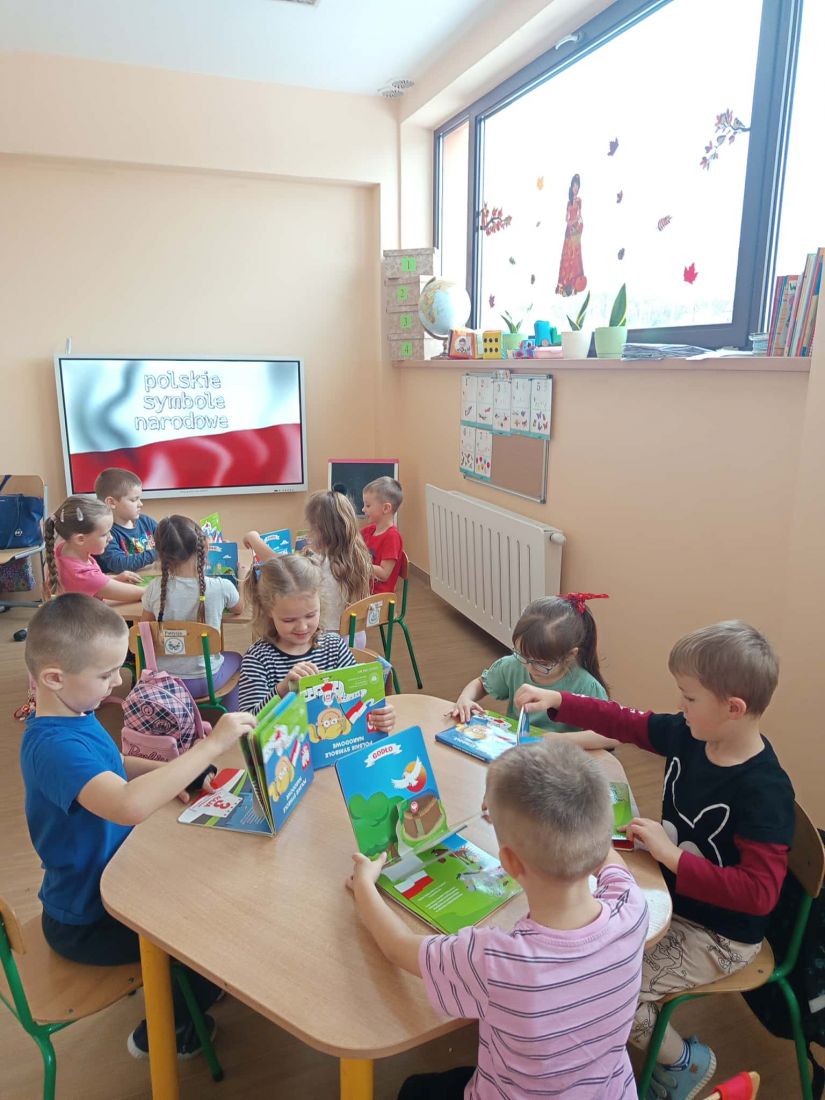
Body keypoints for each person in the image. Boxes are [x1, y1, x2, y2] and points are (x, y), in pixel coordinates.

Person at [516, 620, 796, 1100]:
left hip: (720, 935)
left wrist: (672, 857)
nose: (679, 707)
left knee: (602, 983)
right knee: (581, 939)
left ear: (733, 708)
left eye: (689, 697)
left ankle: (684, 1061)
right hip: (670, 893)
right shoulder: (692, 733)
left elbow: (759, 894)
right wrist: (560, 701)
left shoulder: (765, 792)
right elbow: (628, 722)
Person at [19, 594, 256, 1057]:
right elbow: (127, 806)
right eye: (106, 674)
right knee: (205, 937)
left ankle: (194, 985)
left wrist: (177, 773)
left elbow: (113, 765)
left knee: (205, 898)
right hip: (88, 917)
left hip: (119, 881)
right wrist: (208, 748)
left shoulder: (74, 714)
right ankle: (166, 1034)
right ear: (54, 677)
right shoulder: (53, 747)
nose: (117, 683)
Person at [348, 738, 649, 1099]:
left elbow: (397, 947)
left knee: (414, 1090)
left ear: (509, 862)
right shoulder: (632, 907)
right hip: (610, 1092)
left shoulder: (495, 960)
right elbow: (609, 858)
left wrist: (364, 885)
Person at [237, 553, 395, 729]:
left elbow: (358, 701)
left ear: (320, 603)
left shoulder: (334, 647)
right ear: (268, 611)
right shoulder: (257, 659)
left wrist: (380, 715)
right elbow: (248, 724)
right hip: (286, 745)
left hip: (334, 738)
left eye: (310, 615)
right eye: (289, 620)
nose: (302, 627)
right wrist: (282, 690)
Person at [452, 593, 609, 732]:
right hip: (518, 748)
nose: (529, 667)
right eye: (523, 655)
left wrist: (556, 739)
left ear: (570, 655)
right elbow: (481, 683)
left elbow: (605, 734)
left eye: (542, 663)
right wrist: (465, 698)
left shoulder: (586, 686)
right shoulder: (513, 665)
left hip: (561, 752)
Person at [141, 515, 244, 706]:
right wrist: (242, 581)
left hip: (164, 681)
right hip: (207, 682)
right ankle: (231, 714)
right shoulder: (221, 586)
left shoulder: (154, 588)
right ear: (205, 547)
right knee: (238, 659)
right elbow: (239, 608)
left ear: (161, 555)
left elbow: (144, 628)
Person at [244, 489, 372, 640]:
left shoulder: (317, 562)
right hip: (355, 638)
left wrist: (253, 538)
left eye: (311, 528)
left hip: (326, 641)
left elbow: (278, 562)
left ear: (319, 531)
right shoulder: (358, 556)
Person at [44, 496, 144, 604]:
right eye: (104, 534)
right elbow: (142, 593)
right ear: (80, 539)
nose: (111, 538)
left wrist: (115, 578)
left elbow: (88, 584)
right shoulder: (83, 575)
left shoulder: (62, 548)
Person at [93, 467, 158, 574]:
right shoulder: (106, 533)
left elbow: (168, 539)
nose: (140, 504)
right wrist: (158, 553)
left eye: (139, 498)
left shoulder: (146, 522)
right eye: (134, 500)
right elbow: (119, 564)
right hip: (121, 583)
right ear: (111, 502)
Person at [361, 476, 404, 595]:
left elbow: (384, 574)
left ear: (386, 508)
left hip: (378, 598)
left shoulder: (392, 537)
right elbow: (350, 538)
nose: (363, 509)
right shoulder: (369, 530)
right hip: (364, 591)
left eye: (368, 505)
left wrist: (359, 564)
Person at [556, 172, 587, 297]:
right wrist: (571, 222)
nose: (576, 188)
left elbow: (580, 216)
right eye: (574, 186)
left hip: (576, 231)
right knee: (567, 256)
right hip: (569, 231)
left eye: (577, 186)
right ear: (571, 186)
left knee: (575, 257)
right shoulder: (569, 203)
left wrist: (577, 224)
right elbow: (566, 219)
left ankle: (575, 285)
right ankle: (564, 285)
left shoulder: (579, 201)